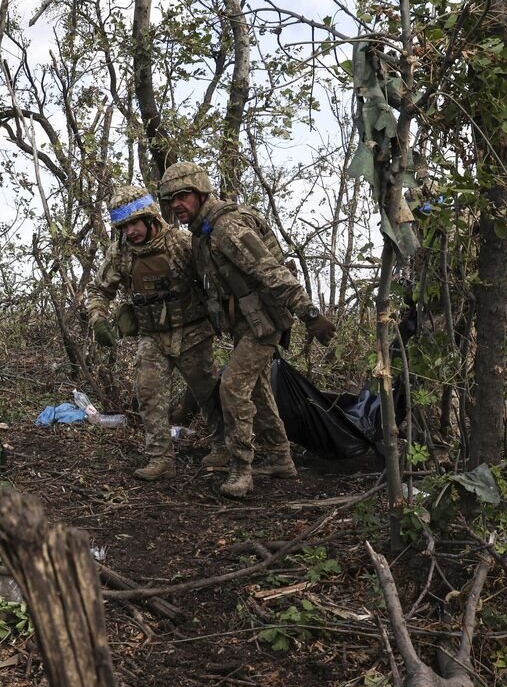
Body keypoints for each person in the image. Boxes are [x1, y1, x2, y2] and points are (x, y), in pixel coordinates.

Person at [162, 162, 335, 498]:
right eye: (170, 201)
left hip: (265, 321)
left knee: (232, 387)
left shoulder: (226, 227)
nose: (176, 205)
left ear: (199, 192)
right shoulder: (201, 233)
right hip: (245, 321)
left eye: (182, 196)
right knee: (256, 389)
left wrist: (310, 313)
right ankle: (281, 459)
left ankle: (242, 469)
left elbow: (272, 272)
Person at [86, 185, 227, 481]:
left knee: (208, 394)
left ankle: (222, 447)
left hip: (192, 332)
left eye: (134, 223)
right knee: (149, 394)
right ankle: (160, 457)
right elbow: (99, 290)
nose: (130, 232)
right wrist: (98, 318)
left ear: (150, 218)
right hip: (152, 335)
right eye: (124, 227)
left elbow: (215, 277)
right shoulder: (121, 253)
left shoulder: (181, 243)